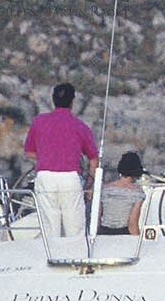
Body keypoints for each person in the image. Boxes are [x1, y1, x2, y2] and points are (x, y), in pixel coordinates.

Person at [23, 82, 99, 241]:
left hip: (45, 177)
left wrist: (47, 157)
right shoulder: (80, 126)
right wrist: (90, 183)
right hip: (70, 178)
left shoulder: (39, 121)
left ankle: (50, 260)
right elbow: (93, 158)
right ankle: (75, 261)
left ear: (53, 99)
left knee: (50, 227)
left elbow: (29, 152)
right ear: (73, 101)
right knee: (75, 228)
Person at [98, 152, 146, 236]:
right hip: (123, 233)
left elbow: (98, 217)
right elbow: (132, 224)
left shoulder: (104, 189)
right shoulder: (137, 194)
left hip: (103, 233)